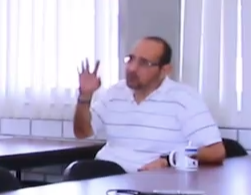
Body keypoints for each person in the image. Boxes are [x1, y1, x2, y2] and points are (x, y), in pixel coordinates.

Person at [75, 36, 226, 171]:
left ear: (165, 70)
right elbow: (82, 133)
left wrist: (169, 160)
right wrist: (85, 96)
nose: (132, 68)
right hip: (106, 175)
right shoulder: (115, 93)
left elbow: (216, 151)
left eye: (144, 63)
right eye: (130, 59)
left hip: (151, 181)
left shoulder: (184, 99)